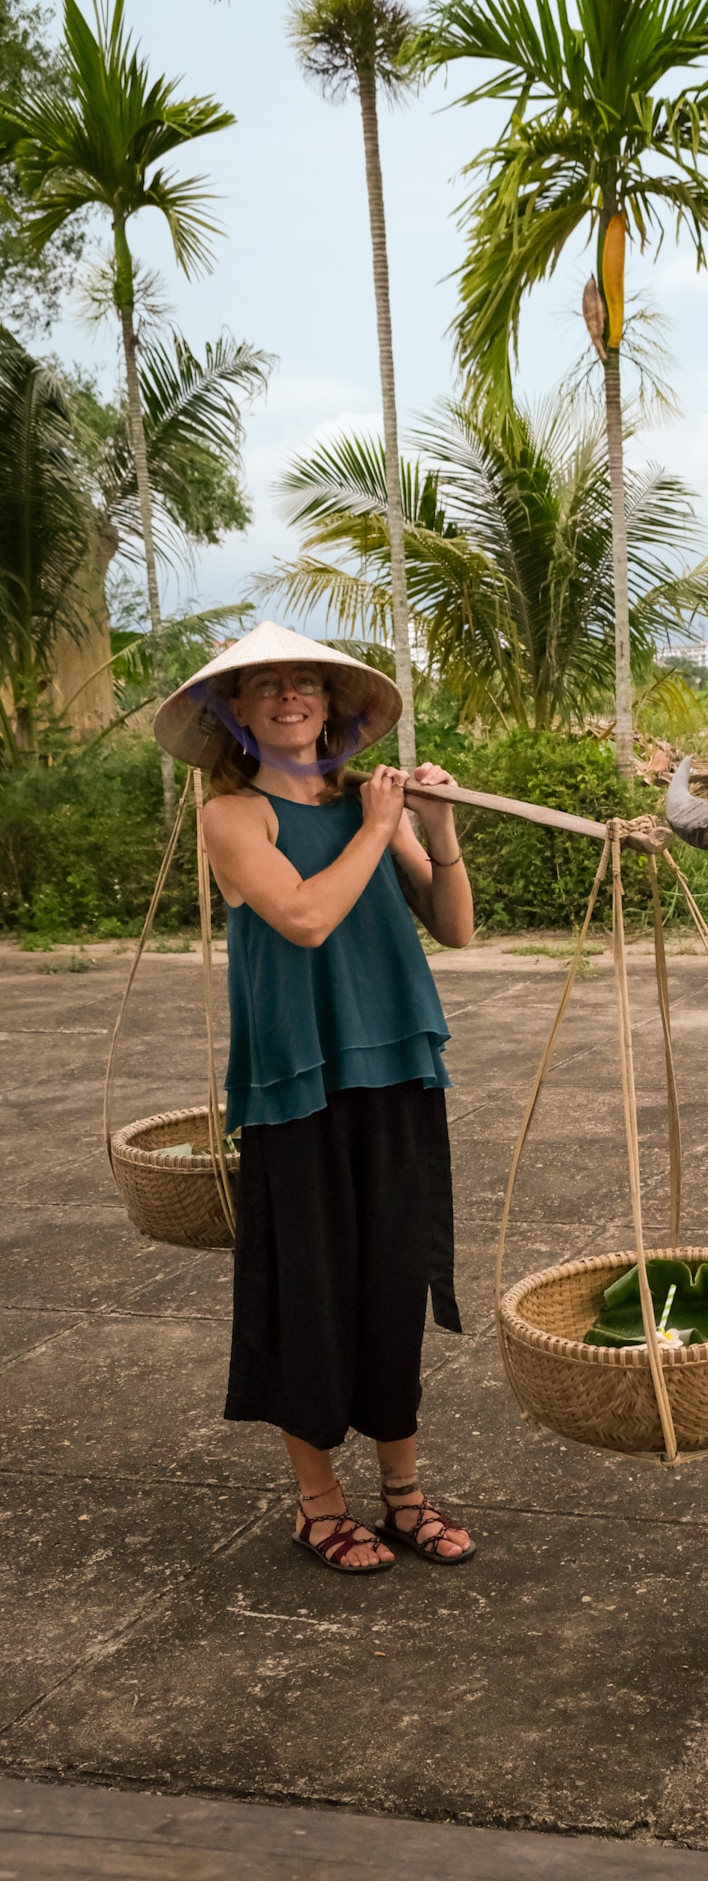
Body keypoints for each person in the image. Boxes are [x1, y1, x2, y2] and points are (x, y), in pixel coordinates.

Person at [154, 622, 476, 1575]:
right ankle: (319, 1504)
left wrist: (436, 829)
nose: (290, 698)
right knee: (311, 1295)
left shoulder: (365, 803)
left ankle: (405, 1495)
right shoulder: (235, 815)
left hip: (396, 1071)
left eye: (307, 684)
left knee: (390, 1283)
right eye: (267, 689)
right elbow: (300, 918)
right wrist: (381, 828)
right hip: (298, 1081)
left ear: (332, 706)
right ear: (237, 715)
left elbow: (453, 927)